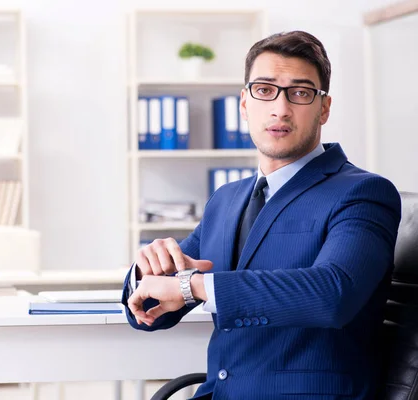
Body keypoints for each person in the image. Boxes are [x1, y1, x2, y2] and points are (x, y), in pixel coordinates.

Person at [122, 30, 401, 400]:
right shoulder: (226, 199)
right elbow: (154, 308)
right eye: (265, 90)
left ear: (324, 108)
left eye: (300, 93)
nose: (281, 109)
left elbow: (333, 293)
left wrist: (193, 285)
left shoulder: (362, 193)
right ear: (244, 104)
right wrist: (146, 272)